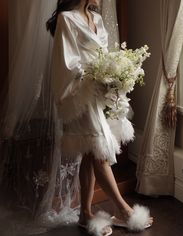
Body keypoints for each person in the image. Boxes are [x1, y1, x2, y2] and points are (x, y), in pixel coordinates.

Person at [47, 0, 153, 235]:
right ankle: (125, 211)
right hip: (79, 95)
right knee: (101, 152)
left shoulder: (96, 18)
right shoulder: (67, 19)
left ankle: (85, 214)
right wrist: (95, 76)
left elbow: (104, 54)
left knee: (90, 152)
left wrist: (114, 74)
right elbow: (67, 64)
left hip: (100, 94)